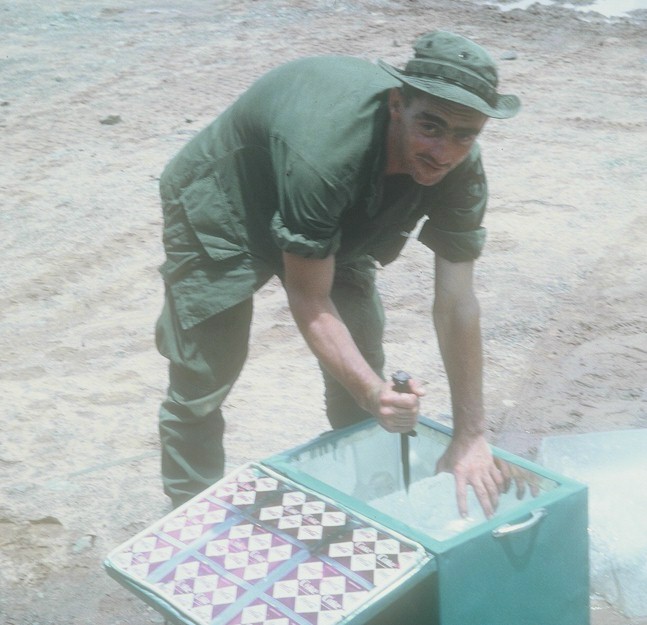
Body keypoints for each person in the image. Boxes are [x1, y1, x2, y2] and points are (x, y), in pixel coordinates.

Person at [155, 30, 521, 516]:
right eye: (430, 127)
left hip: (335, 215)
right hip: (229, 202)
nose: (443, 152)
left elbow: (457, 303)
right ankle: (190, 518)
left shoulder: (461, 170)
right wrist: (372, 392)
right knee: (205, 372)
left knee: (365, 371)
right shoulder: (327, 153)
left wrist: (470, 434)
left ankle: (363, 501)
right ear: (397, 105)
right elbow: (310, 301)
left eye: (464, 134)